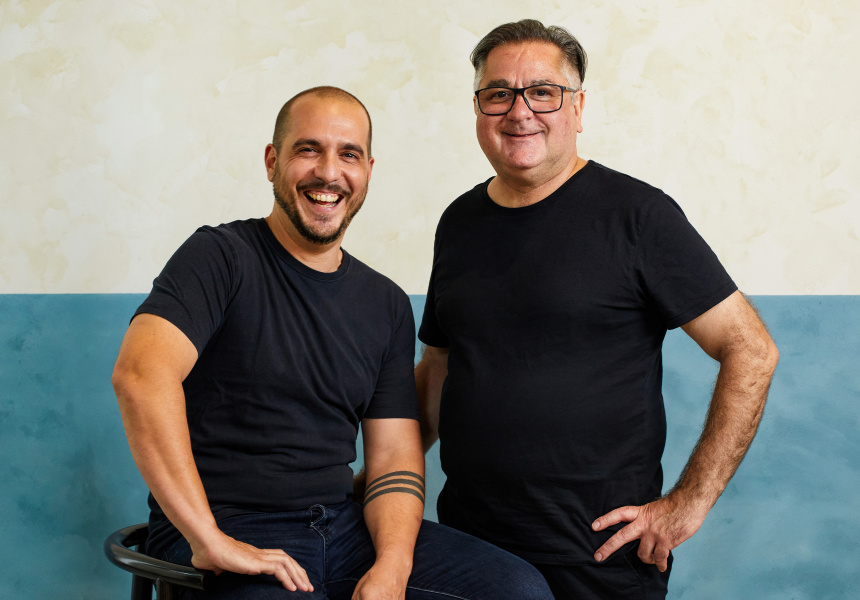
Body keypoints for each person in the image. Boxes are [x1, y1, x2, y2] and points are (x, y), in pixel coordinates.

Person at [112, 86, 554, 600]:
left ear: (367, 170)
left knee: (520, 590)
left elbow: (394, 456)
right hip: (230, 525)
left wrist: (392, 565)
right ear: (272, 161)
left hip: (342, 530)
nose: (328, 172)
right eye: (308, 150)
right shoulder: (220, 257)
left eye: (348, 154)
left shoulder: (385, 303)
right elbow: (141, 376)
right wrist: (207, 537)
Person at [416, 20, 779, 600]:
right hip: (471, 548)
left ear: (578, 108)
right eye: (499, 93)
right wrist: (377, 479)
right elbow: (439, 368)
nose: (519, 111)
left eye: (542, 92)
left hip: (598, 558)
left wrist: (688, 503)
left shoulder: (639, 216)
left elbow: (752, 349)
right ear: (478, 107)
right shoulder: (458, 222)